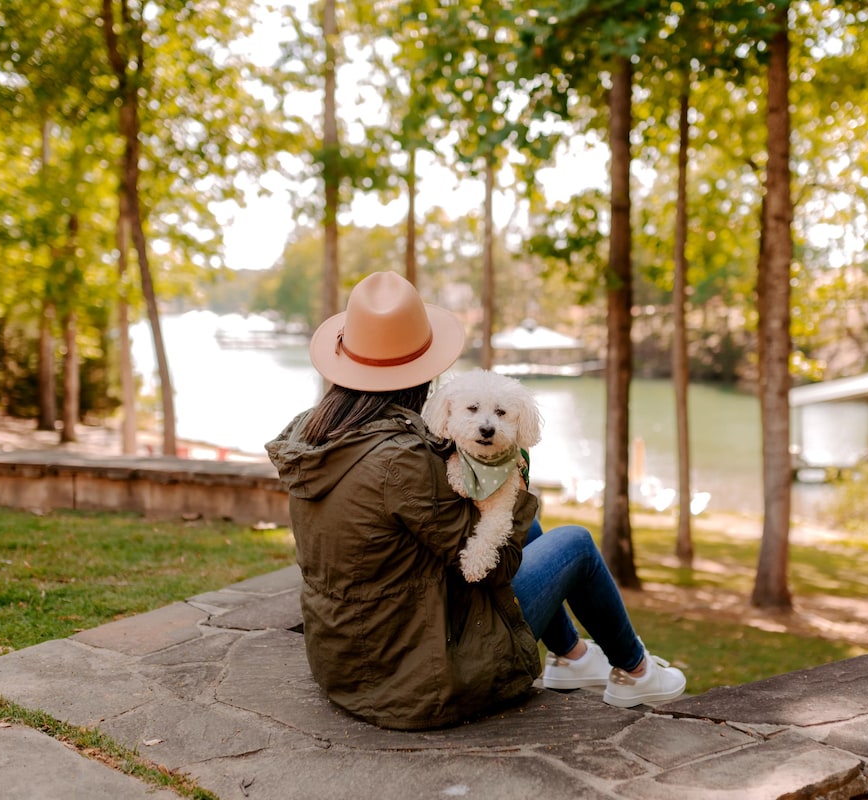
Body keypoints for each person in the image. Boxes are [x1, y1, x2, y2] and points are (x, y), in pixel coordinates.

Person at [266, 270, 685, 731]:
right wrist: (519, 482)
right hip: (415, 671)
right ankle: (636, 671)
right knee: (576, 544)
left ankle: (573, 658)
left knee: (533, 532)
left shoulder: (318, 432)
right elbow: (497, 566)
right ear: (421, 373)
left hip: (346, 655)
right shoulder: (402, 459)